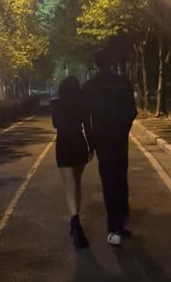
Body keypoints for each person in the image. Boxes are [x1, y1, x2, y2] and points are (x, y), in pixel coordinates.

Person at [82, 45, 137, 247]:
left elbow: (85, 118)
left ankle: (113, 228)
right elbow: (132, 111)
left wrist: (90, 141)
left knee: (108, 182)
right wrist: (124, 129)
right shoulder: (122, 83)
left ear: (96, 64)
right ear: (111, 63)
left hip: (101, 140)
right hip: (120, 138)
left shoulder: (89, 86)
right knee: (121, 180)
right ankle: (121, 225)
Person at [51, 76, 94, 249]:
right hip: (78, 143)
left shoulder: (55, 104)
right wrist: (92, 148)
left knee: (69, 186)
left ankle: (75, 221)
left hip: (62, 144)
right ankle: (76, 220)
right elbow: (88, 128)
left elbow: (55, 124)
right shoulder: (83, 103)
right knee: (77, 183)